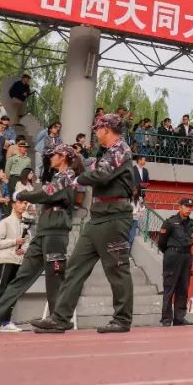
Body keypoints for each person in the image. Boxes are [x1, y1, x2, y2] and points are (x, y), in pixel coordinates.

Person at [31, 113, 136, 334]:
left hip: (115, 217)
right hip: (98, 216)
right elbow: (94, 169)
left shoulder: (120, 149)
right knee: (75, 268)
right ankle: (60, 317)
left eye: (98, 129)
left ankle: (122, 319)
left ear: (106, 129)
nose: (96, 133)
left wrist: (77, 178)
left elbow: (101, 175)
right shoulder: (109, 152)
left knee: (117, 270)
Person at [0, 144, 81, 331]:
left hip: (56, 232)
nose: (50, 157)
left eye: (54, 154)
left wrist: (21, 194)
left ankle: (57, 320)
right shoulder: (59, 177)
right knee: (22, 276)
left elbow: (45, 194)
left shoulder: (68, 176)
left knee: (54, 277)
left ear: (63, 157)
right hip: (45, 230)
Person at [0, 198, 30, 330]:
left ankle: (6, 322)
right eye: (20, 202)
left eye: (25, 203)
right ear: (13, 205)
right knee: (0, 291)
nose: (23, 205)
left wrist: (23, 249)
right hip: (6, 260)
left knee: (13, 293)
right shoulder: (5, 222)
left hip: (18, 261)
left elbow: (28, 242)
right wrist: (15, 241)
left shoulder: (25, 224)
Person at [158, 197, 193, 326]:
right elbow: (161, 243)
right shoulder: (170, 222)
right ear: (179, 207)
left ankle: (179, 318)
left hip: (186, 256)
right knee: (170, 287)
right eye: (186, 206)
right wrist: (171, 252)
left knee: (183, 288)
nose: (189, 209)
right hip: (173, 255)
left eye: (190, 207)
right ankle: (166, 318)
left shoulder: (192, 223)